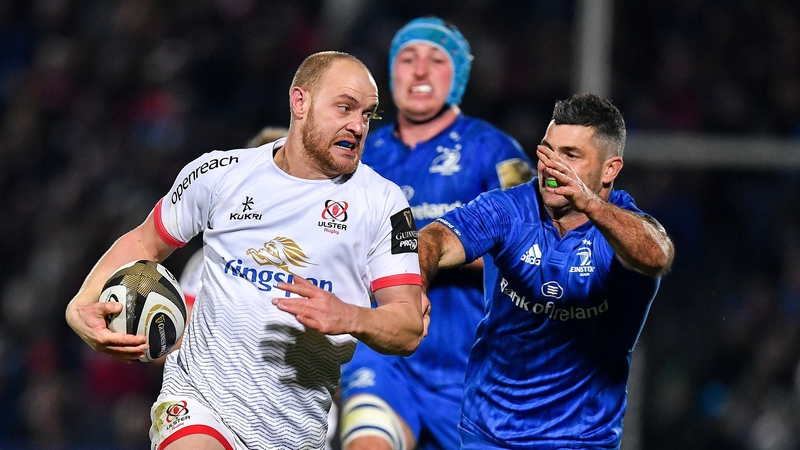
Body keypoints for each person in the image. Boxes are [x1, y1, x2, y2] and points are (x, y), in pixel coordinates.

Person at [65, 51, 429, 450]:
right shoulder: (218, 174)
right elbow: (143, 242)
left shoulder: (383, 204)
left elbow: (408, 324)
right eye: (345, 107)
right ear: (300, 101)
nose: (358, 126)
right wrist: (80, 304)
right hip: (199, 404)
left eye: (368, 114)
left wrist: (349, 316)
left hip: (295, 432)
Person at [416, 92, 675, 449]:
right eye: (547, 151)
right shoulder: (510, 210)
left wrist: (589, 203)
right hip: (488, 432)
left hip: (582, 439)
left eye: (570, 155)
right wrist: (413, 286)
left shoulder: (624, 232)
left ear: (610, 169)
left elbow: (657, 256)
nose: (552, 166)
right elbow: (435, 239)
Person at [339, 17, 533, 450]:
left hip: (473, 370)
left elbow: (532, 238)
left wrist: (443, 248)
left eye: (436, 60)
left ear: (458, 76)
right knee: (367, 441)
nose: (420, 70)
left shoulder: (492, 150)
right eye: (408, 59)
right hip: (383, 351)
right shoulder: (362, 153)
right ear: (391, 73)